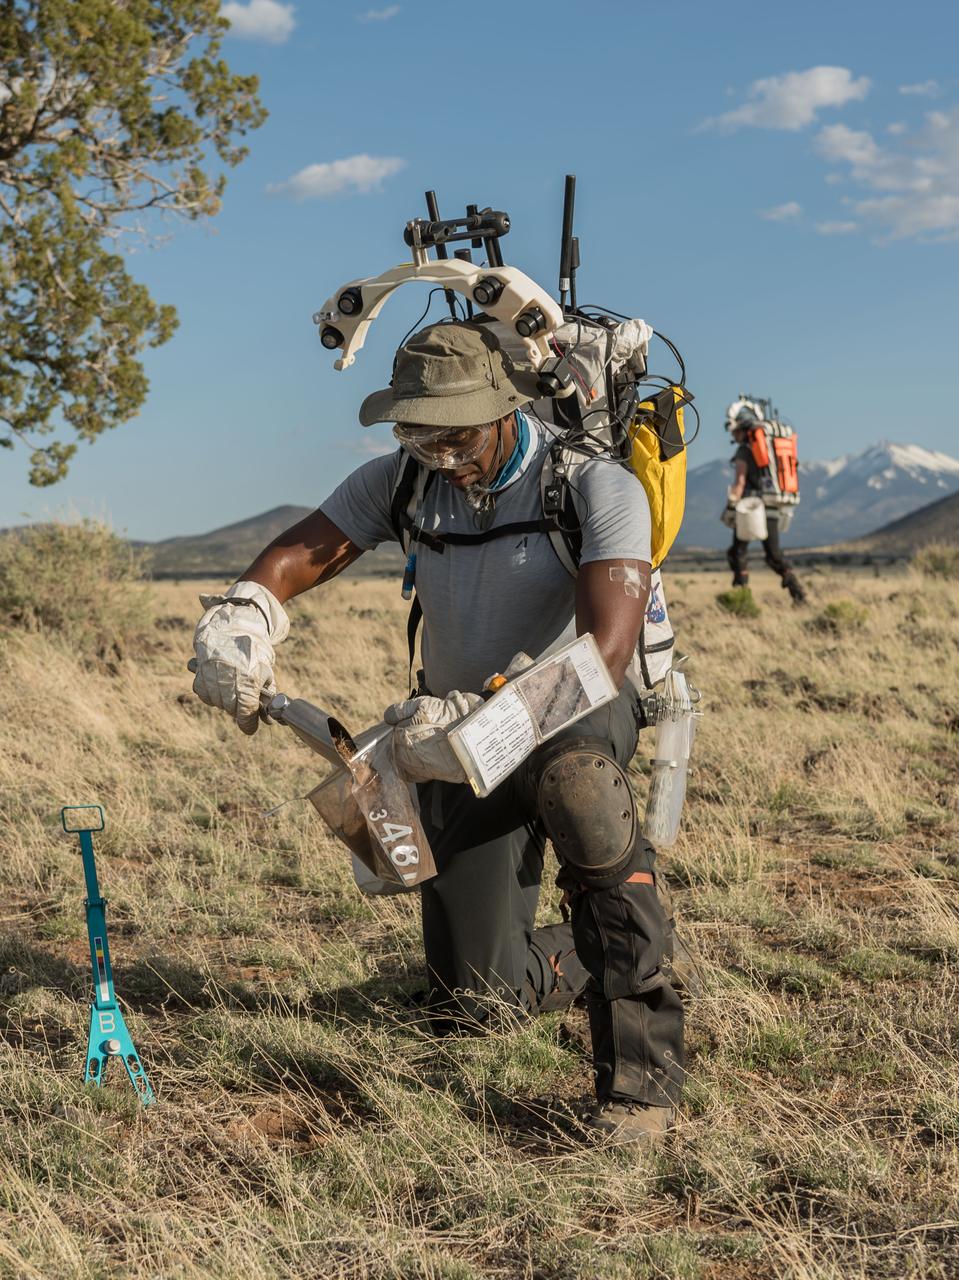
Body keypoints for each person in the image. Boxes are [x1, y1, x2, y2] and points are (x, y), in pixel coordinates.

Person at [192, 320, 685, 1144]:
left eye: (455, 436)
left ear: (503, 408)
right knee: (472, 1002)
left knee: (579, 789)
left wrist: (477, 726)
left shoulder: (594, 487)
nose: (439, 455)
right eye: (417, 436)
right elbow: (293, 557)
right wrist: (245, 613)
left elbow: (604, 654)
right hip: (450, 728)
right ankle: (603, 948)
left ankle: (641, 1081)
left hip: (575, 708)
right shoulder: (402, 482)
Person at [724, 401, 806, 603]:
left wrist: (731, 505)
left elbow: (740, 482)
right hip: (772, 505)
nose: (732, 436)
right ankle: (798, 593)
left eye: (734, 431)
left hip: (751, 508)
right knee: (773, 554)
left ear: (742, 429)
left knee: (737, 552)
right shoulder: (766, 451)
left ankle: (741, 596)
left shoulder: (744, 451)